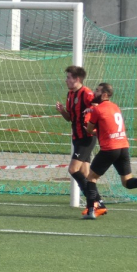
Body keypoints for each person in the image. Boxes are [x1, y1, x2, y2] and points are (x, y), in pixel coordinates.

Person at [82, 83, 137, 219]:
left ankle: (91, 211)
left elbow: (89, 129)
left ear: (105, 94)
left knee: (91, 178)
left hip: (109, 149)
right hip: (123, 147)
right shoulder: (115, 107)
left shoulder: (98, 110)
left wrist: (92, 126)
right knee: (126, 182)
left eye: (98, 91)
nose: (94, 93)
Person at [55, 65, 96, 215]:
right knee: (86, 174)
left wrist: (92, 112)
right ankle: (95, 201)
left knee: (73, 169)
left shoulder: (87, 93)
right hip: (76, 138)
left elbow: (98, 108)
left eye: (68, 77)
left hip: (87, 137)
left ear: (76, 79)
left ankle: (95, 200)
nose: (66, 80)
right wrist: (62, 111)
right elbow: (70, 118)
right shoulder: (70, 95)